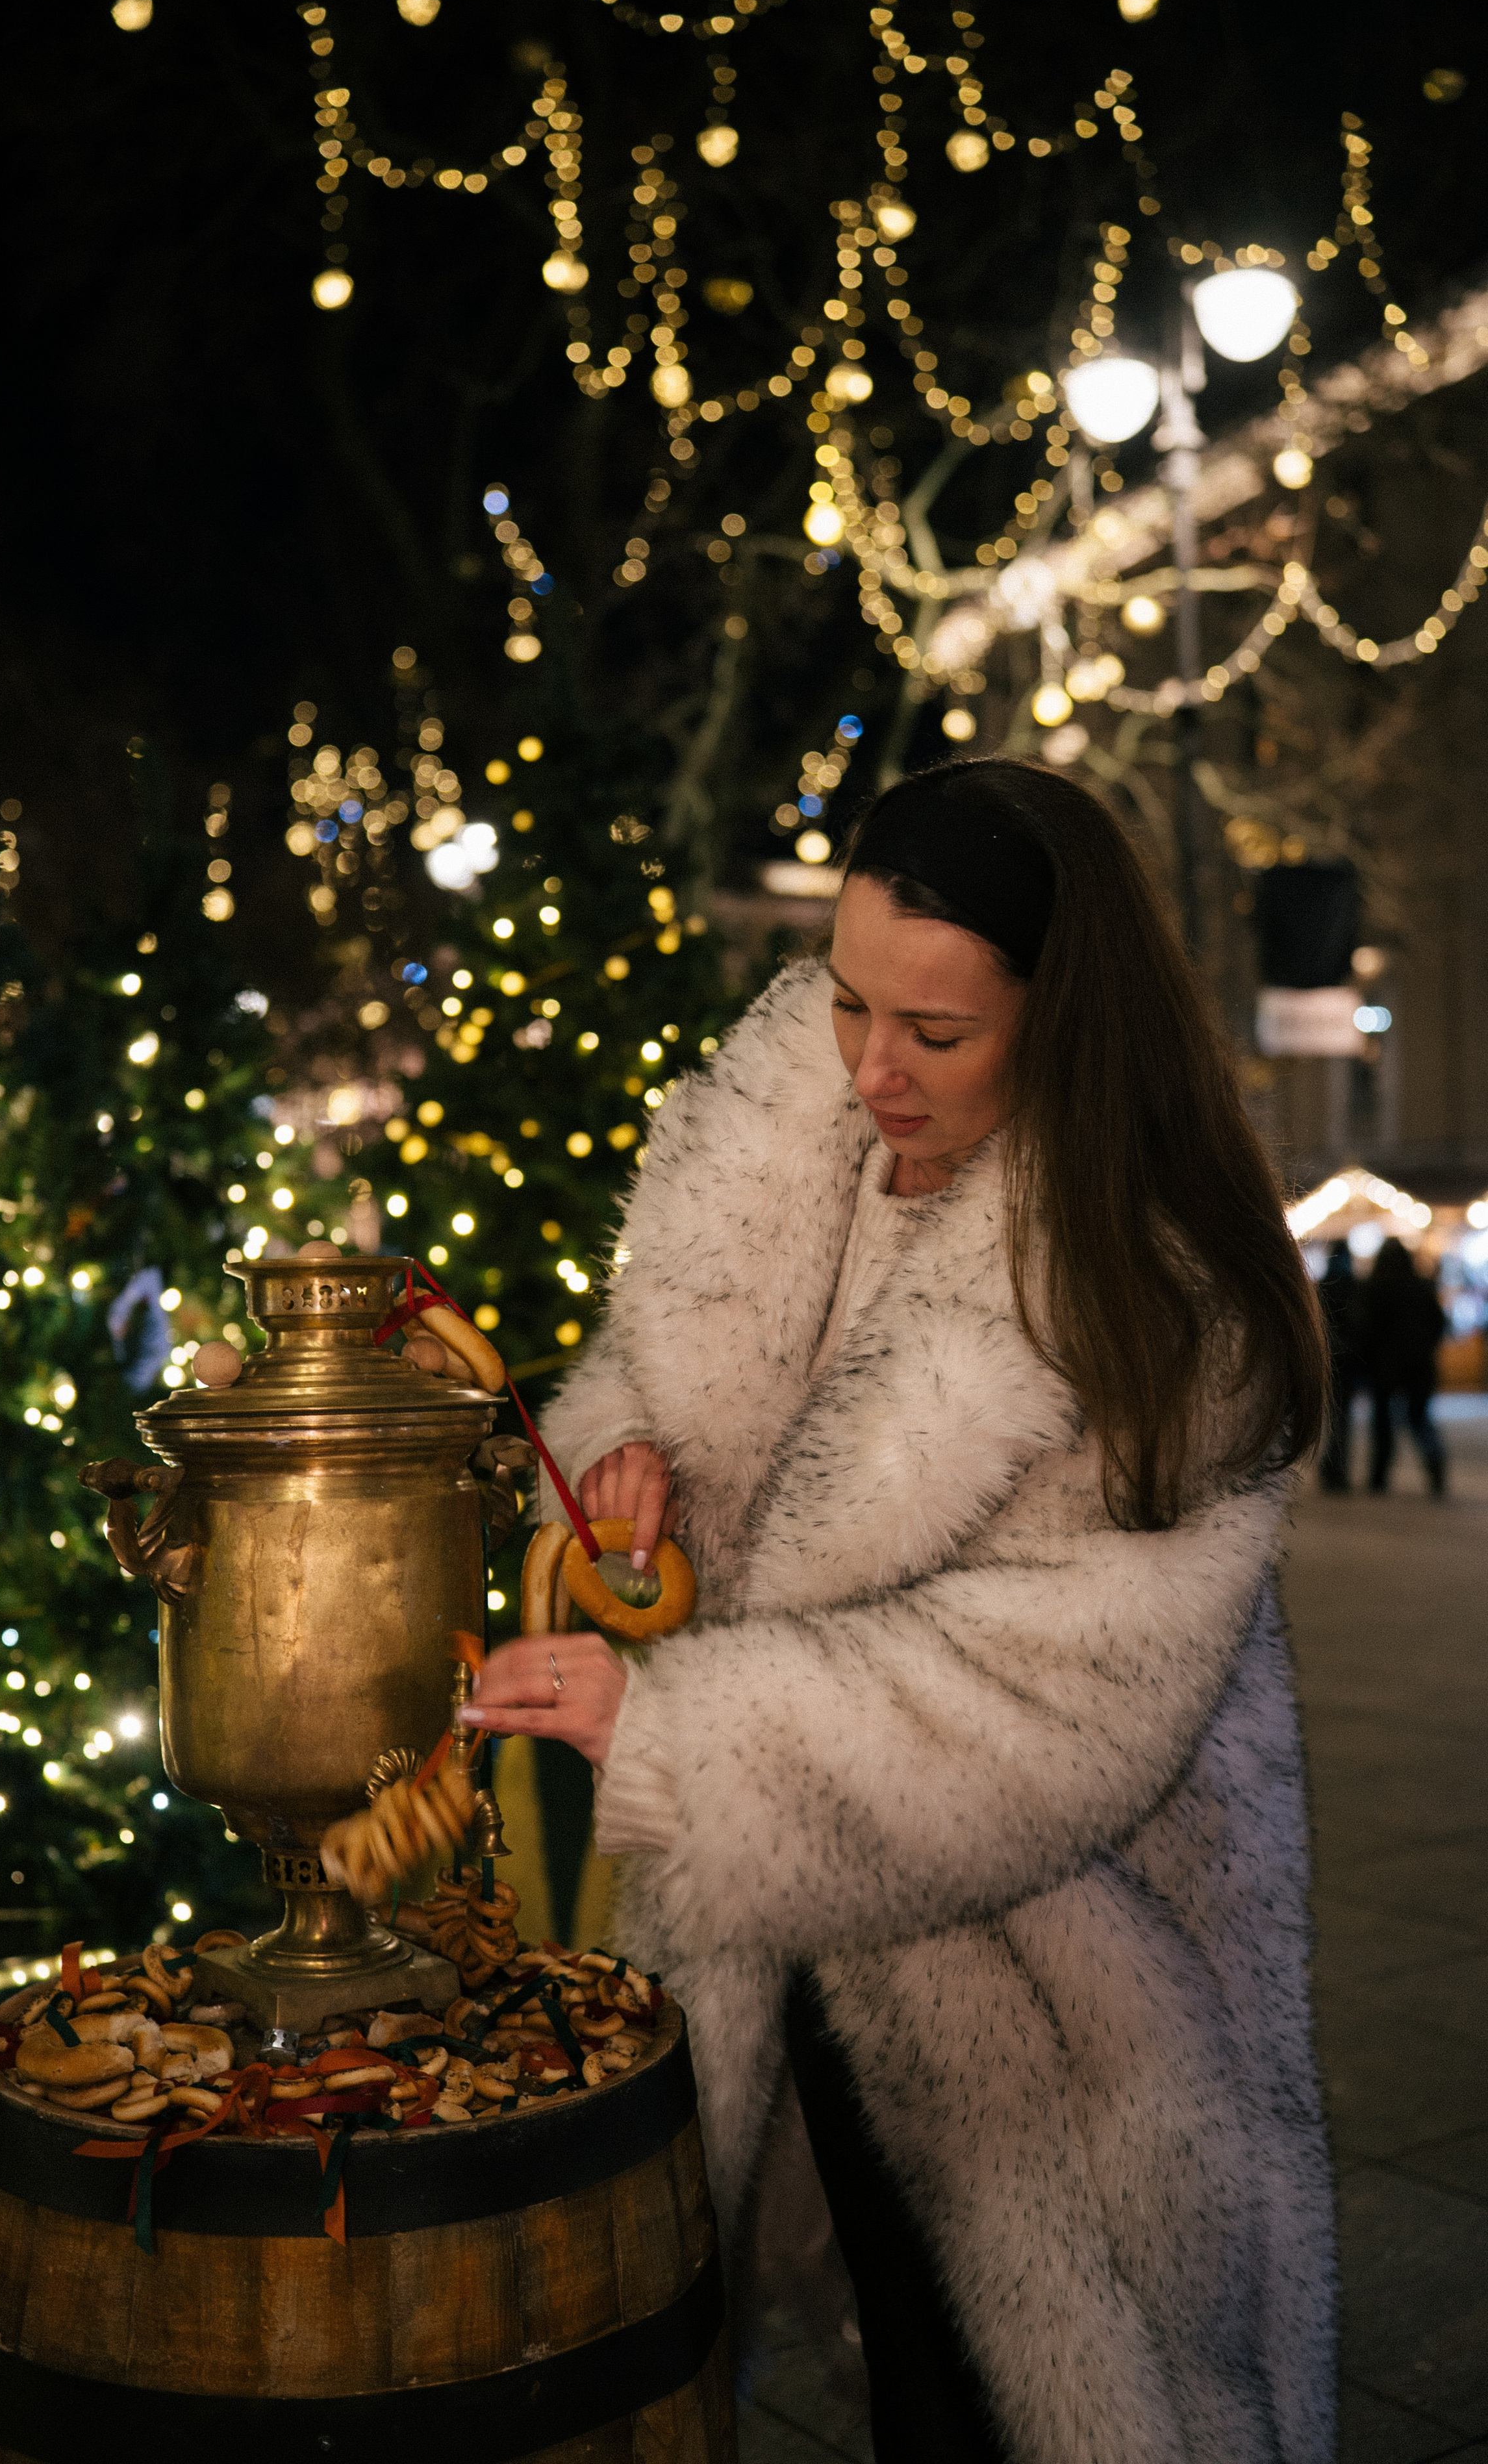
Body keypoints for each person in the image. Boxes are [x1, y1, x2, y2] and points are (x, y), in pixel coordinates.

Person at [463, 759, 1334, 2464]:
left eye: (936, 1033)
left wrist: (683, 1735)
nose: (871, 1069)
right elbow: (672, 1387)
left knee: (1020, 2404)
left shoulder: (1165, 1296)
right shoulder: (783, 1151)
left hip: (1054, 2014)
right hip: (793, 1941)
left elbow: (1056, 1702)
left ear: (1067, 1024)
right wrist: (636, 1465)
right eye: (850, 1002)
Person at [1363, 1235, 1448, 1496]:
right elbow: (1440, 1323)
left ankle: (1379, 1476)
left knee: (1383, 1422)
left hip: (1385, 1366)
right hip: (1419, 1364)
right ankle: (1435, 1466)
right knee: (1419, 1417)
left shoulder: (1375, 1289)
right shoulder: (1421, 1287)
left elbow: (1366, 1330)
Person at [1316, 1238, 1362, 1491]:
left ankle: (1331, 1467)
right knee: (1342, 1418)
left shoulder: (1323, 1286)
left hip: (1328, 1359)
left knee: (1331, 1417)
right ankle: (1336, 1469)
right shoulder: (1354, 1287)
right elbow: (1360, 1326)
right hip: (1348, 1362)